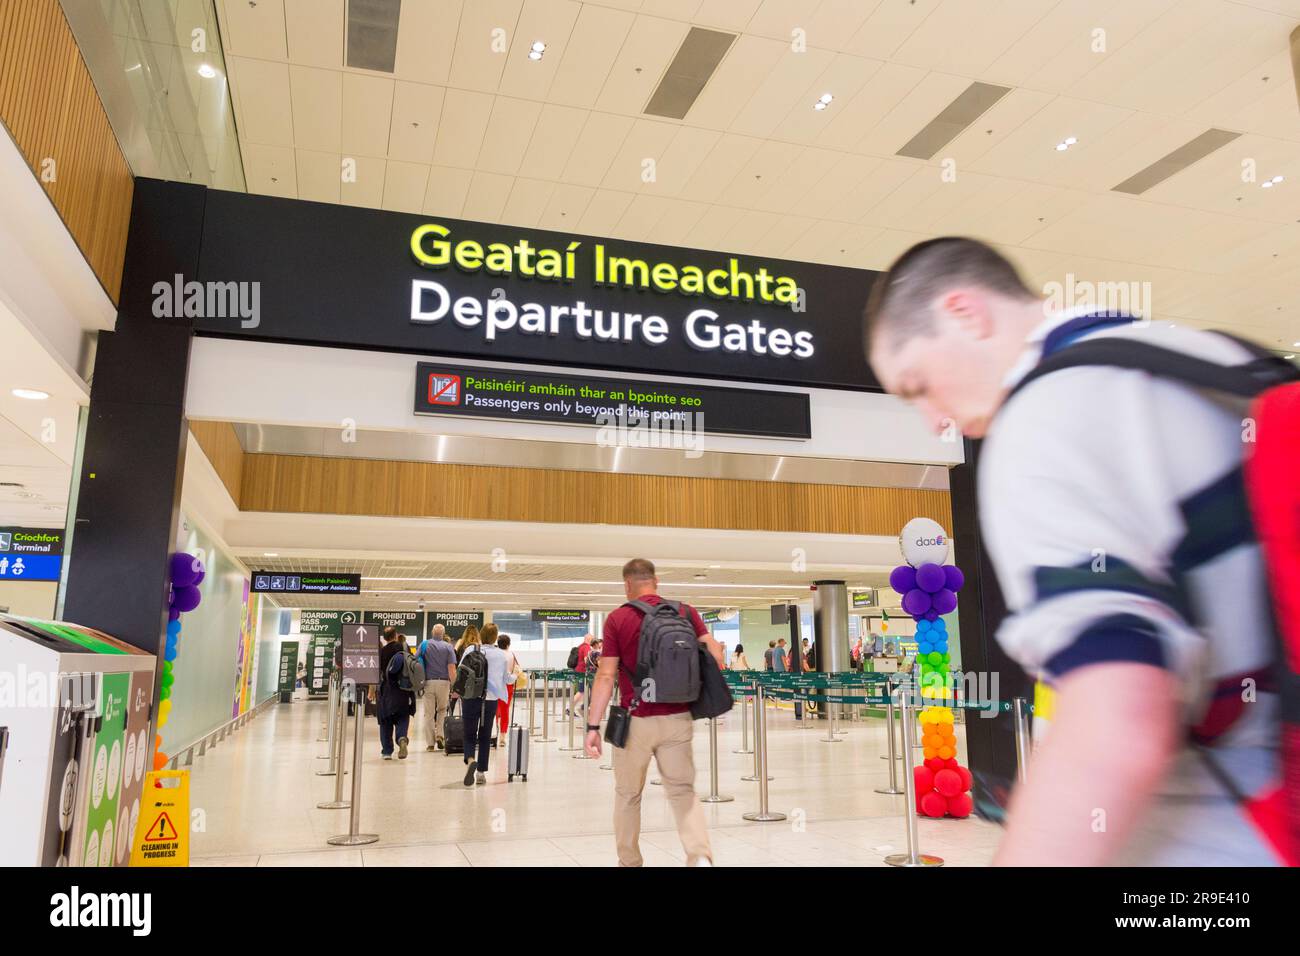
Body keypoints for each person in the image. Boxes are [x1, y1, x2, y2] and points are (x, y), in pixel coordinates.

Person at [864, 235, 1286, 867]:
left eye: (918, 384)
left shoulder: (1045, 420)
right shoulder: (1207, 356)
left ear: (964, 313)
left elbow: (1116, 720)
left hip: (1233, 828)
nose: (932, 419)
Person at [584, 558, 725, 867]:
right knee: (683, 792)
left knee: (628, 795)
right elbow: (715, 654)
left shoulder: (618, 619)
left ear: (627, 585)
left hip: (635, 720)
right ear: (656, 581)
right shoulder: (686, 612)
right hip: (678, 718)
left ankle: (630, 862)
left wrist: (593, 726)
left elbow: (606, 675)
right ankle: (699, 856)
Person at [457, 622, 509, 786]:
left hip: (471, 697)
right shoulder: (501, 655)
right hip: (491, 699)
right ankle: (481, 773)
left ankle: (471, 759)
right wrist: (515, 676)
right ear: (495, 637)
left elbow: (461, 671)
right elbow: (506, 679)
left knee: (469, 732)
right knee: (485, 735)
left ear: (481, 634)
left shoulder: (470, 650)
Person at [370, 627, 415, 760]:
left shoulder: (382, 652)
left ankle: (387, 751)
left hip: (387, 689)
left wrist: (372, 691)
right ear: (395, 636)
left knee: (385, 721)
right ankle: (401, 738)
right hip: (404, 689)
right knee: (402, 716)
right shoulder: (404, 650)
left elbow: (375, 673)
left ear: (384, 638)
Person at [417, 623, 456, 750]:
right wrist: (454, 685)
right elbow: (451, 669)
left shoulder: (424, 645)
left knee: (429, 714)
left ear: (432, 633)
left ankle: (430, 744)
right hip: (444, 683)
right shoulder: (448, 647)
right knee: (442, 710)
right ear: (443, 634)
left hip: (428, 682)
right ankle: (440, 735)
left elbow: (415, 660)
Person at [496, 633, 522, 735]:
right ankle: (503, 734)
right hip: (508, 685)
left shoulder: (495, 654)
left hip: (495, 684)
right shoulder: (511, 655)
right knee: (505, 709)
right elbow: (517, 669)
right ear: (508, 644)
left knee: (495, 708)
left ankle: (495, 730)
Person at [569, 632, 593, 716]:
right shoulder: (586, 647)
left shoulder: (580, 646)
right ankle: (570, 709)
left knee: (582, 691)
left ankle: (582, 707)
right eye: (592, 639)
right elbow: (587, 660)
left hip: (578, 670)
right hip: (582, 671)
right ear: (588, 639)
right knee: (581, 691)